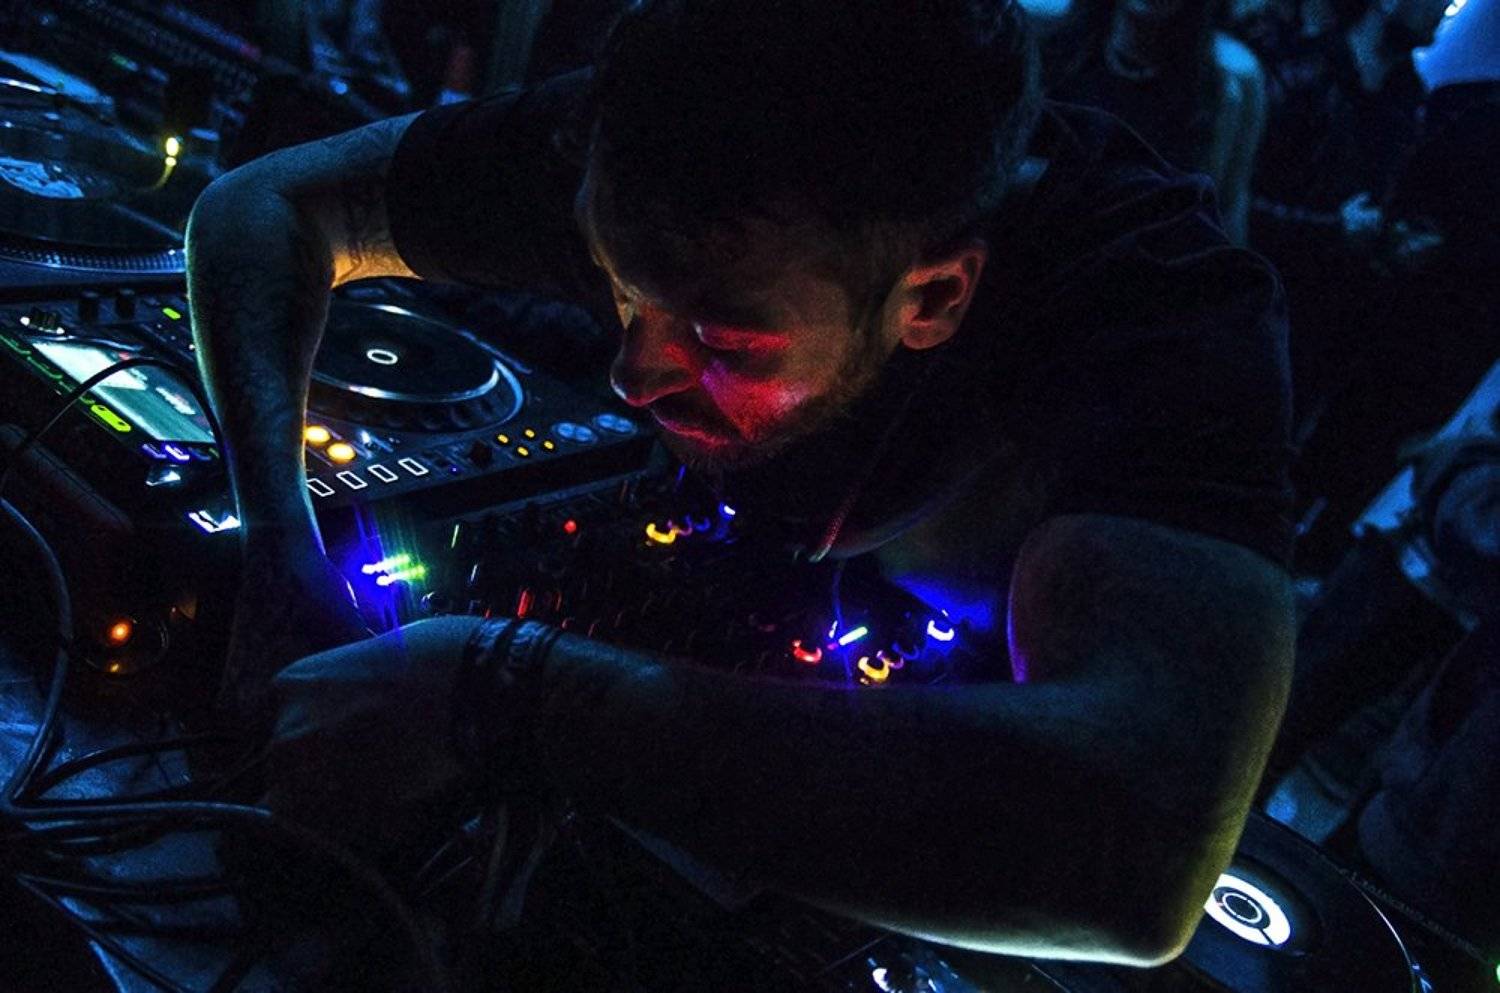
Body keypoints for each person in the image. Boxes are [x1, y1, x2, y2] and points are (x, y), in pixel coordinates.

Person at [185, 0, 1295, 972]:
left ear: (935, 298)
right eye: (619, 288)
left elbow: (1141, 856)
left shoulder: (1156, 315)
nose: (633, 376)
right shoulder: (668, 149)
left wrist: (500, 692)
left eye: (723, 339)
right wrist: (282, 546)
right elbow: (265, 207)